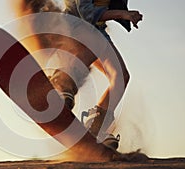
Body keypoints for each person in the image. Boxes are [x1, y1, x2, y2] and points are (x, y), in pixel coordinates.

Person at [48, 0, 143, 150]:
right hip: (73, 25)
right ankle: (62, 82)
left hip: (97, 31)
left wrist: (128, 15)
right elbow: (87, 14)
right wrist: (122, 14)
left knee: (120, 77)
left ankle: (96, 125)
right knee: (96, 42)